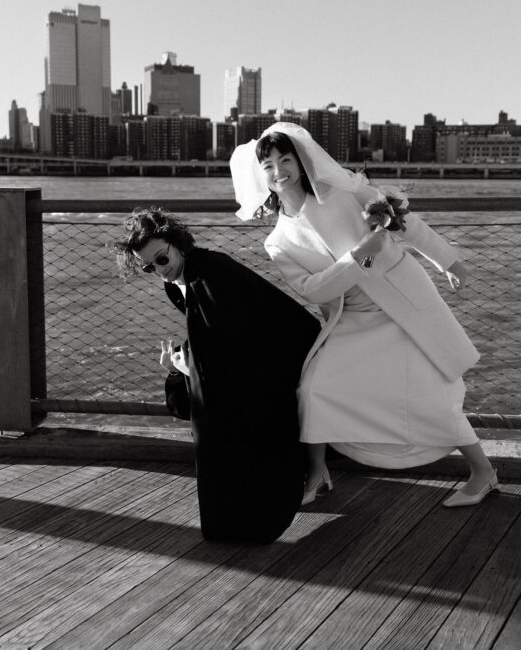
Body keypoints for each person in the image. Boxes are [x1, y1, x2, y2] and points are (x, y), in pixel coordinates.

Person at [230, 122, 498, 508]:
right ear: (261, 176)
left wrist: (450, 262)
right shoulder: (278, 241)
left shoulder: (345, 193)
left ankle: (483, 472)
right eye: (268, 165)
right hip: (351, 318)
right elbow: (314, 290)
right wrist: (361, 254)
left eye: (285, 159)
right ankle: (318, 472)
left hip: (400, 304)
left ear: (301, 162)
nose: (278, 170)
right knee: (315, 389)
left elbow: (406, 222)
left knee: (432, 393)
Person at [112, 207, 321, 542]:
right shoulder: (180, 280)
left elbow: (241, 337)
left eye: (162, 259)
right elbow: (215, 336)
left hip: (255, 372)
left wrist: (186, 369)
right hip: (233, 373)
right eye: (149, 267)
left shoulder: (209, 276)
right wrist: (185, 367)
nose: (159, 271)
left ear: (178, 242)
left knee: (228, 443)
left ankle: (249, 522)